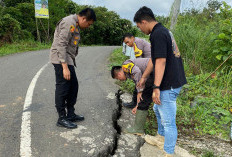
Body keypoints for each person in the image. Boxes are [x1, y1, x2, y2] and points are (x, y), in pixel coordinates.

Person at [134, 6, 187, 157]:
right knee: (158, 109)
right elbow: (154, 58)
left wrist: (156, 87)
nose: (140, 30)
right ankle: (161, 138)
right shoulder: (163, 31)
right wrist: (144, 77)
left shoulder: (158, 34)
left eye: (139, 26)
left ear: (144, 22)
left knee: (169, 121)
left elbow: (161, 62)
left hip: (168, 83)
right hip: (172, 80)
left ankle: (168, 152)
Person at [50, 8, 96, 129]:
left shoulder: (75, 24)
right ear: (83, 18)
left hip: (68, 59)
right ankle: (62, 118)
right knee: (63, 88)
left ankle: (70, 114)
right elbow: (61, 44)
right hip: (61, 59)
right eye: (89, 24)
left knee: (73, 86)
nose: (88, 26)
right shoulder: (69, 22)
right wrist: (64, 66)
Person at [111, 58, 153, 135]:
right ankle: (140, 126)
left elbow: (137, 72)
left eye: (118, 78)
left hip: (153, 71)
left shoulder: (125, 66)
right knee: (144, 97)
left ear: (119, 74)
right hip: (152, 73)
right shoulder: (129, 74)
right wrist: (137, 105)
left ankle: (138, 129)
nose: (119, 80)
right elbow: (138, 87)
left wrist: (140, 91)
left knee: (144, 97)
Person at [122, 33, 151, 109]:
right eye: (126, 43)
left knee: (139, 80)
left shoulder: (137, 43)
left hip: (150, 65)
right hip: (150, 64)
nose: (128, 44)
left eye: (128, 42)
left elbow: (138, 62)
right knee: (138, 80)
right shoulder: (137, 42)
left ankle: (137, 104)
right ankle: (137, 103)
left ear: (132, 38)